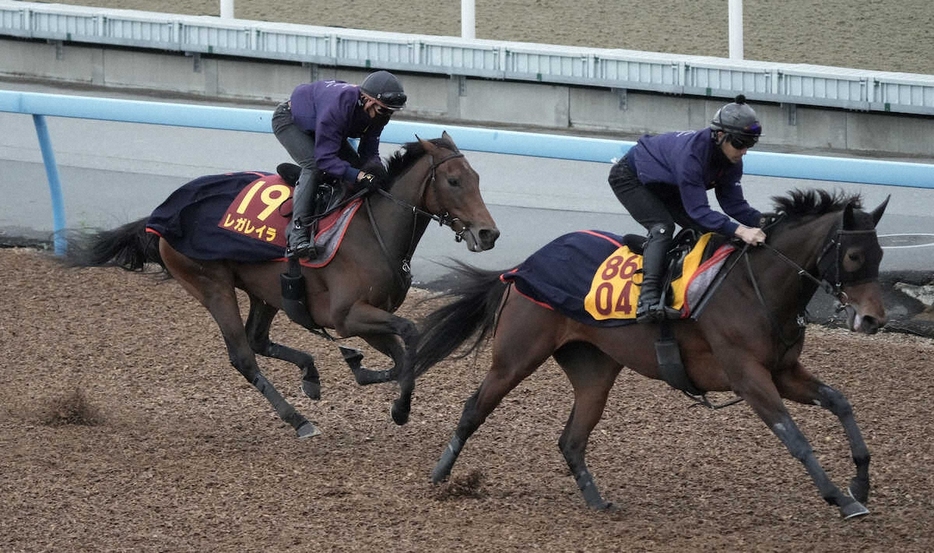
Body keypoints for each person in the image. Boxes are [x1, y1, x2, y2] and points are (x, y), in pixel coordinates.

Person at [607, 94, 767, 324]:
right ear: (720, 136)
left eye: (750, 144)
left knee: (706, 230)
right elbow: (699, 210)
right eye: (741, 143)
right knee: (662, 227)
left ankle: (660, 257)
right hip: (630, 178)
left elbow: (734, 205)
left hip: (665, 182)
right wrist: (742, 231)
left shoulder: (731, 159)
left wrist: (763, 221)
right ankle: (648, 299)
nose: (745, 151)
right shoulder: (692, 155)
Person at [271, 70, 407, 259]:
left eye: (391, 112)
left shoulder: (379, 113)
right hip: (291, 121)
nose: (385, 116)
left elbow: (369, 154)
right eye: (383, 110)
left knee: (358, 169)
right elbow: (325, 158)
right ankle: (297, 235)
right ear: (366, 99)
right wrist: (359, 175)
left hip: (324, 125)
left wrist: (375, 174)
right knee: (315, 166)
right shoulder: (340, 105)